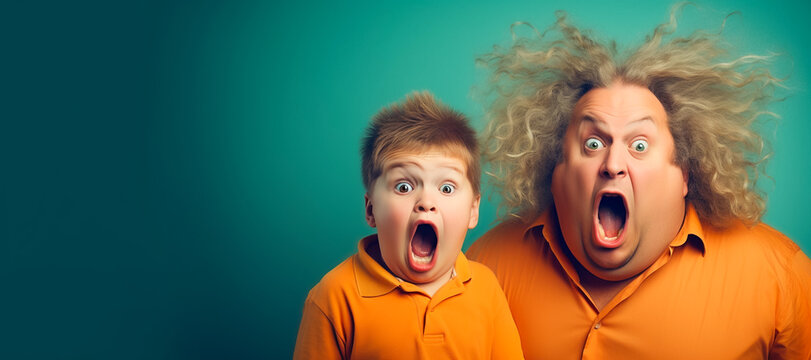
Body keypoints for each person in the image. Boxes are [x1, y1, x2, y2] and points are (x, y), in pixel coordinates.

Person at [466, 9, 811, 359]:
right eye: (593, 144)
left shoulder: (780, 277)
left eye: (640, 145)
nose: (613, 164)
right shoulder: (484, 269)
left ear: (685, 174)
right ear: (555, 171)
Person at [293, 92, 524, 359]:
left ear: (473, 210)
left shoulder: (486, 289)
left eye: (446, 188)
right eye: (404, 187)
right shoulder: (334, 297)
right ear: (371, 210)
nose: (426, 202)